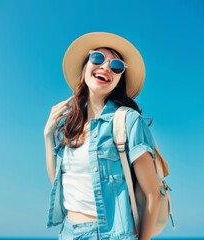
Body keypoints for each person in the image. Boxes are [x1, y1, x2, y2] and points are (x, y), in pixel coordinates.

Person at [44, 32, 161, 240]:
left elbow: (152, 195)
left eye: (116, 66)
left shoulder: (128, 121)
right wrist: (48, 135)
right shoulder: (72, 127)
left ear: (118, 80)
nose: (106, 67)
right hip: (67, 231)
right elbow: (60, 185)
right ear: (85, 66)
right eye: (97, 58)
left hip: (107, 234)